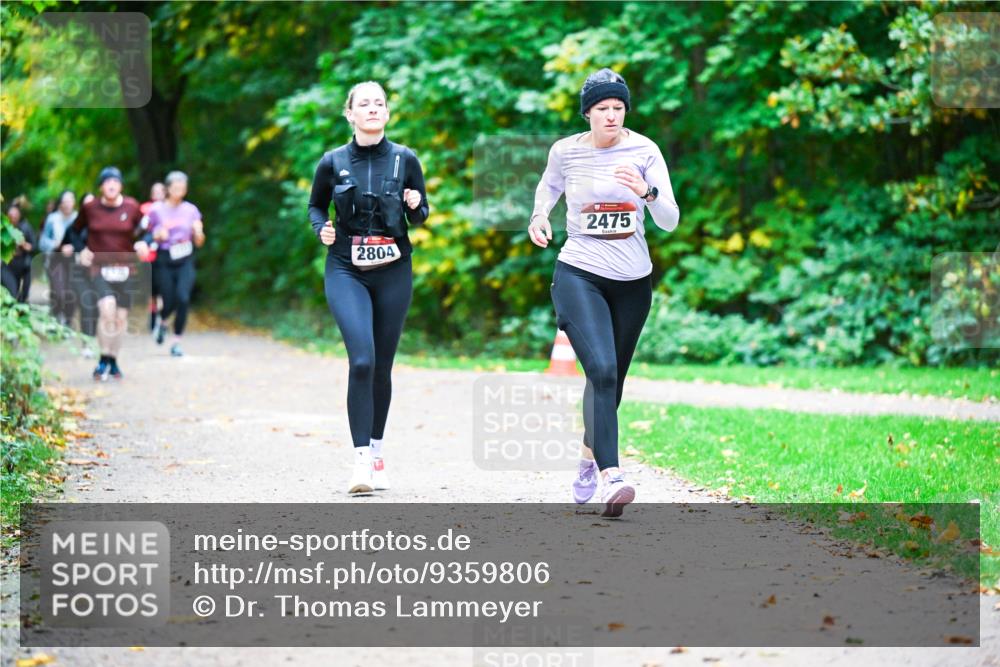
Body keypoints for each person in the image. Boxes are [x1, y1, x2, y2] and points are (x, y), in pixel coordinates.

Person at [529, 68, 680, 517]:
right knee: (603, 369)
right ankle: (613, 476)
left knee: (609, 383)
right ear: (588, 114)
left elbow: (670, 219)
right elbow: (548, 186)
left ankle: (586, 460)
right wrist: (539, 217)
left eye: (618, 108)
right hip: (580, 272)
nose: (612, 116)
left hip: (633, 282)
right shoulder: (566, 152)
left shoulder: (645, 150)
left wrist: (647, 193)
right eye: (602, 109)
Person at [307, 81, 429, 494]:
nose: (373, 108)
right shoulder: (333, 161)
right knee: (361, 360)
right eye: (365, 103)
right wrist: (320, 228)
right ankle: (360, 461)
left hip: (394, 268)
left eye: (379, 103)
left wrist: (415, 204)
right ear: (350, 114)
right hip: (346, 267)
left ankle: (377, 452)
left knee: (382, 366)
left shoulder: (405, 159)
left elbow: (423, 215)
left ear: (387, 113)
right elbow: (315, 205)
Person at [62, 167, 149, 381]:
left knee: (120, 317)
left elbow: (146, 230)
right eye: (107, 182)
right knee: (106, 310)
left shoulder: (132, 206)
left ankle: (113, 359)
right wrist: (82, 249)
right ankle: (102, 358)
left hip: (126, 269)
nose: (111, 185)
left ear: (121, 186)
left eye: (115, 182)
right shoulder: (90, 208)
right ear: (101, 187)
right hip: (99, 268)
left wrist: (142, 243)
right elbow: (73, 231)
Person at [148, 171, 204, 357]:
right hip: (164, 259)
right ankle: (163, 322)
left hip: (185, 259)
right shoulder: (157, 210)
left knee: (183, 298)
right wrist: (157, 235)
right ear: (168, 189)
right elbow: (147, 235)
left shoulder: (191, 210)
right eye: (176, 187)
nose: (180, 191)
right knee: (169, 298)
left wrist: (198, 234)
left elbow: (199, 241)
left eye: (183, 187)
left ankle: (176, 341)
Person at [39, 190, 78, 324]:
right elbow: (42, 242)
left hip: (74, 261)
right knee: (58, 291)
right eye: (64, 201)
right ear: (60, 204)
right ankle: (56, 317)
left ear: (74, 203)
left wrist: (75, 247)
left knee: (72, 292)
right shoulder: (52, 218)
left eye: (70, 201)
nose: (67, 204)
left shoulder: (79, 218)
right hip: (56, 260)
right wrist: (55, 245)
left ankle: (68, 322)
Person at [141, 182, 166, 332]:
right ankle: (152, 316)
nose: (157, 194)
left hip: (164, 255)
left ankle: (162, 320)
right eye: (154, 191)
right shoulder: (144, 209)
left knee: (164, 288)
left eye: (160, 191)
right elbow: (140, 230)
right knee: (152, 290)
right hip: (149, 256)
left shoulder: (171, 209)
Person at [1, 202, 38, 303]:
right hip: (7, 266)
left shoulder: (26, 227)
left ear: (19, 215)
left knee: (23, 295)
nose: (13, 217)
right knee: (12, 293)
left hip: (23, 265)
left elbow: (34, 246)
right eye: (11, 215)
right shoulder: (3, 229)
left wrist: (24, 244)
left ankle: (20, 311)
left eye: (15, 215)